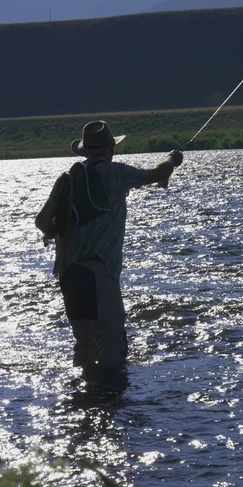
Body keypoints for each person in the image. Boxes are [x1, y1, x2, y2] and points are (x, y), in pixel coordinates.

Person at [35, 120, 183, 371]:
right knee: (112, 344)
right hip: (100, 271)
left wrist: (62, 232)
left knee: (84, 344)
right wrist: (172, 158)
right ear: (110, 150)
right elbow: (159, 173)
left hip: (69, 274)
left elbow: (41, 222)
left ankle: (83, 397)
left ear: (84, 151)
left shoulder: (68, 179)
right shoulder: (117, 173)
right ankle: (111, 401)